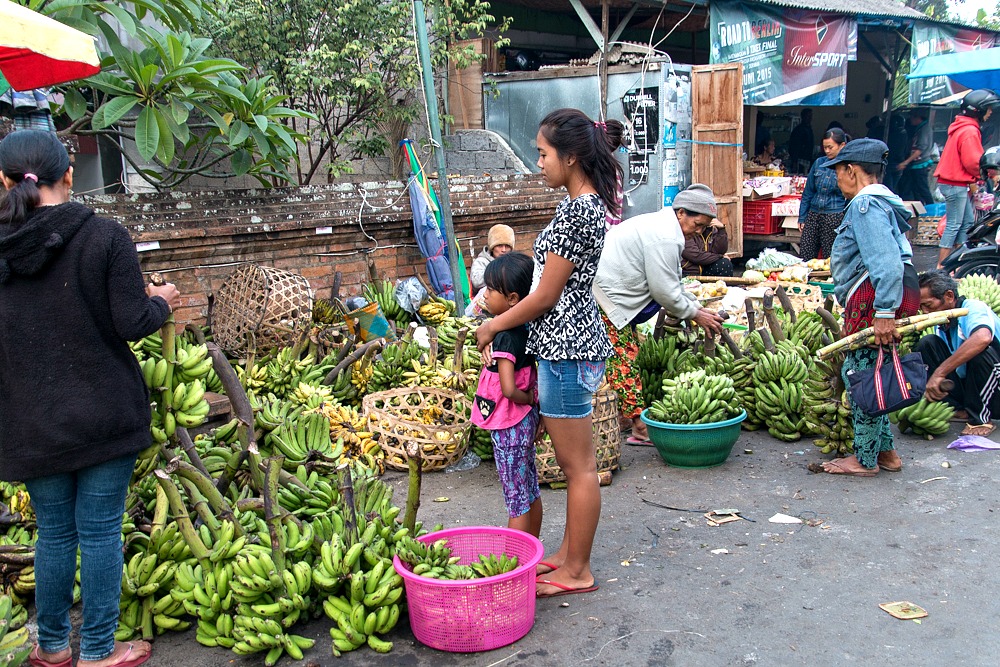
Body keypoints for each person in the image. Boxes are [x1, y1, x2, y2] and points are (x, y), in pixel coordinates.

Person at [0, 130, 180, 667]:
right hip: (104, 415)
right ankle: (99, 650)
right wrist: (163, 302)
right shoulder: (103, 236)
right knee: (100, 532)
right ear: (70, 176)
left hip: (32, 421)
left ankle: (52, 646)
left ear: (4, 183)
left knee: (53, 534)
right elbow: (130, 321)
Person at [475, 108, 618, 598]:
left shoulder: (578, 210)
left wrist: (493, 324)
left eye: (542, 153)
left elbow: (544, 296)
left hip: (567, 346)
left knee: (578, 466)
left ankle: (577, 569)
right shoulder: (587, 206)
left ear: (571, 156)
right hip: (567, 344)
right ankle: (566, 555)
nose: (538, 162)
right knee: (573, 461)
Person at [593, 184, 725, 443]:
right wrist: (695, 314)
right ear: (681, 213)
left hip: (613, 293)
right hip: (607, 297)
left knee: (622, 357)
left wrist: (696, 307)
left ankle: (621, 413)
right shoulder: (665, 235)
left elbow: (673, 281)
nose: (698, 233)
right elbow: (664, 290)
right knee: (623, 360)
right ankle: (639, 427)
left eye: (703, 228)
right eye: (697, 225)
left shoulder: (666, 228)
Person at [821, 138, 919, 477]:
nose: (836, 180)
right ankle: (887, 452)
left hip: (874, 297)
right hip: (883, 294)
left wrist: (885, 313)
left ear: (851, 170)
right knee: (877, 371)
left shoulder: (866, 206)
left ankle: (864, 459)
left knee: (860, 376)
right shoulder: (883, 202)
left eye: (838, 172)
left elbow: (887, 262)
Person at [471, 252, 542, 534]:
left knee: (516, 499)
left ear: (512, 299)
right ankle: (532, 551)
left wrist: (527, 400)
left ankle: (517, 562)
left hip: (509, 423)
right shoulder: (525, 326)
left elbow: (509, 389)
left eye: (490, 289)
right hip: (523, 423)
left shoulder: (504, 335)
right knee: (530, 488)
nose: (484, 294)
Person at [916, 270, 1000, 437]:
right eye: (922, 307)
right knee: (927, 343)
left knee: (979, 351)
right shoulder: (942, 324)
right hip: (970, 387)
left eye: (928, 305)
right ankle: (959, 408)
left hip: (996, 389)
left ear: (949, 296)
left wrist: (940, 372)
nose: (925, 312)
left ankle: (981, 419)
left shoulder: (973, 308)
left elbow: (983, 338)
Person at [934, 89, 1000, 268]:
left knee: (967, 223)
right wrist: (986, 172)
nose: (990, 112)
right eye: (988, 109)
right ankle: (942, 265)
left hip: (956, 183)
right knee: (954, 225)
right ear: (978, 110)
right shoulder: (970, 130)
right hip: (955, 184)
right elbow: (973, 161)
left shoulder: (963, 126)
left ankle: (960, 261)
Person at [798, 128, 849, 260]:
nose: (827, 150)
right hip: (813, 215)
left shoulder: (847, 166)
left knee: (830, 257)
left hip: (834, 216)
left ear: (842, 145)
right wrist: (802, 217)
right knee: (805, 254)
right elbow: (808, 192)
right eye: (825, 147)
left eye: (830, 147)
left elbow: (849, 197)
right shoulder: (819, 163)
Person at [897, 109, 934, 205]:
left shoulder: (924, 129)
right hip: (916, 164)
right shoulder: (920, 128)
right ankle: (921, 211)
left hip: (921, 164)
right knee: (916, 190)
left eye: (912, 117)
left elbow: (920, 149)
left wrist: (906, 162)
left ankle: (932, 210)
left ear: (918, 117)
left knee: (923, 189)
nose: (910, 120)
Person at [470, 223, 515, 293]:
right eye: (499, 245)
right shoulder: (481, 262)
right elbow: (477, 281)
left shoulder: (515, 262)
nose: (503, 250)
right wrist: (501, 273)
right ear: (492, 247)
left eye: (507, 246)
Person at [884, 114, 909, 194]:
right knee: (893, 187)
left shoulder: (893, 133)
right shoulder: (904, 133)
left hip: (890, 162)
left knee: (889, 188)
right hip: (899, 162)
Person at [788, 109, 815, 175]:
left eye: (811, 116)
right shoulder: (799, 130)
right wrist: (794, 161)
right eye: (808, 116)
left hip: (807, 158)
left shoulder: (809, 129)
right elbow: (794, 146)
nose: (810, 118)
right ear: (803, 116)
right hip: (799, 159)